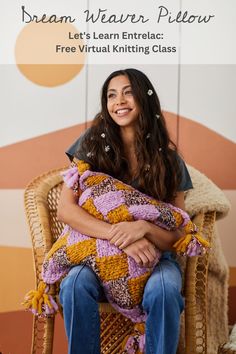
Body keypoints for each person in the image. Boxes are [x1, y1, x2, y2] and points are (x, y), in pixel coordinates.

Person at [58, 68, 193, 354]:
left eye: (128, 92)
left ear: (145, 99)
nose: (119, 100)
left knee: (165, 290)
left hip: (154, 258)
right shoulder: (91, 145)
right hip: (96, 252)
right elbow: (66, 211)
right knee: (73, 285)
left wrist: (143, 228)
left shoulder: (170, 161)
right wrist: (121, 236)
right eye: (111, 95)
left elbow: (179, 235)